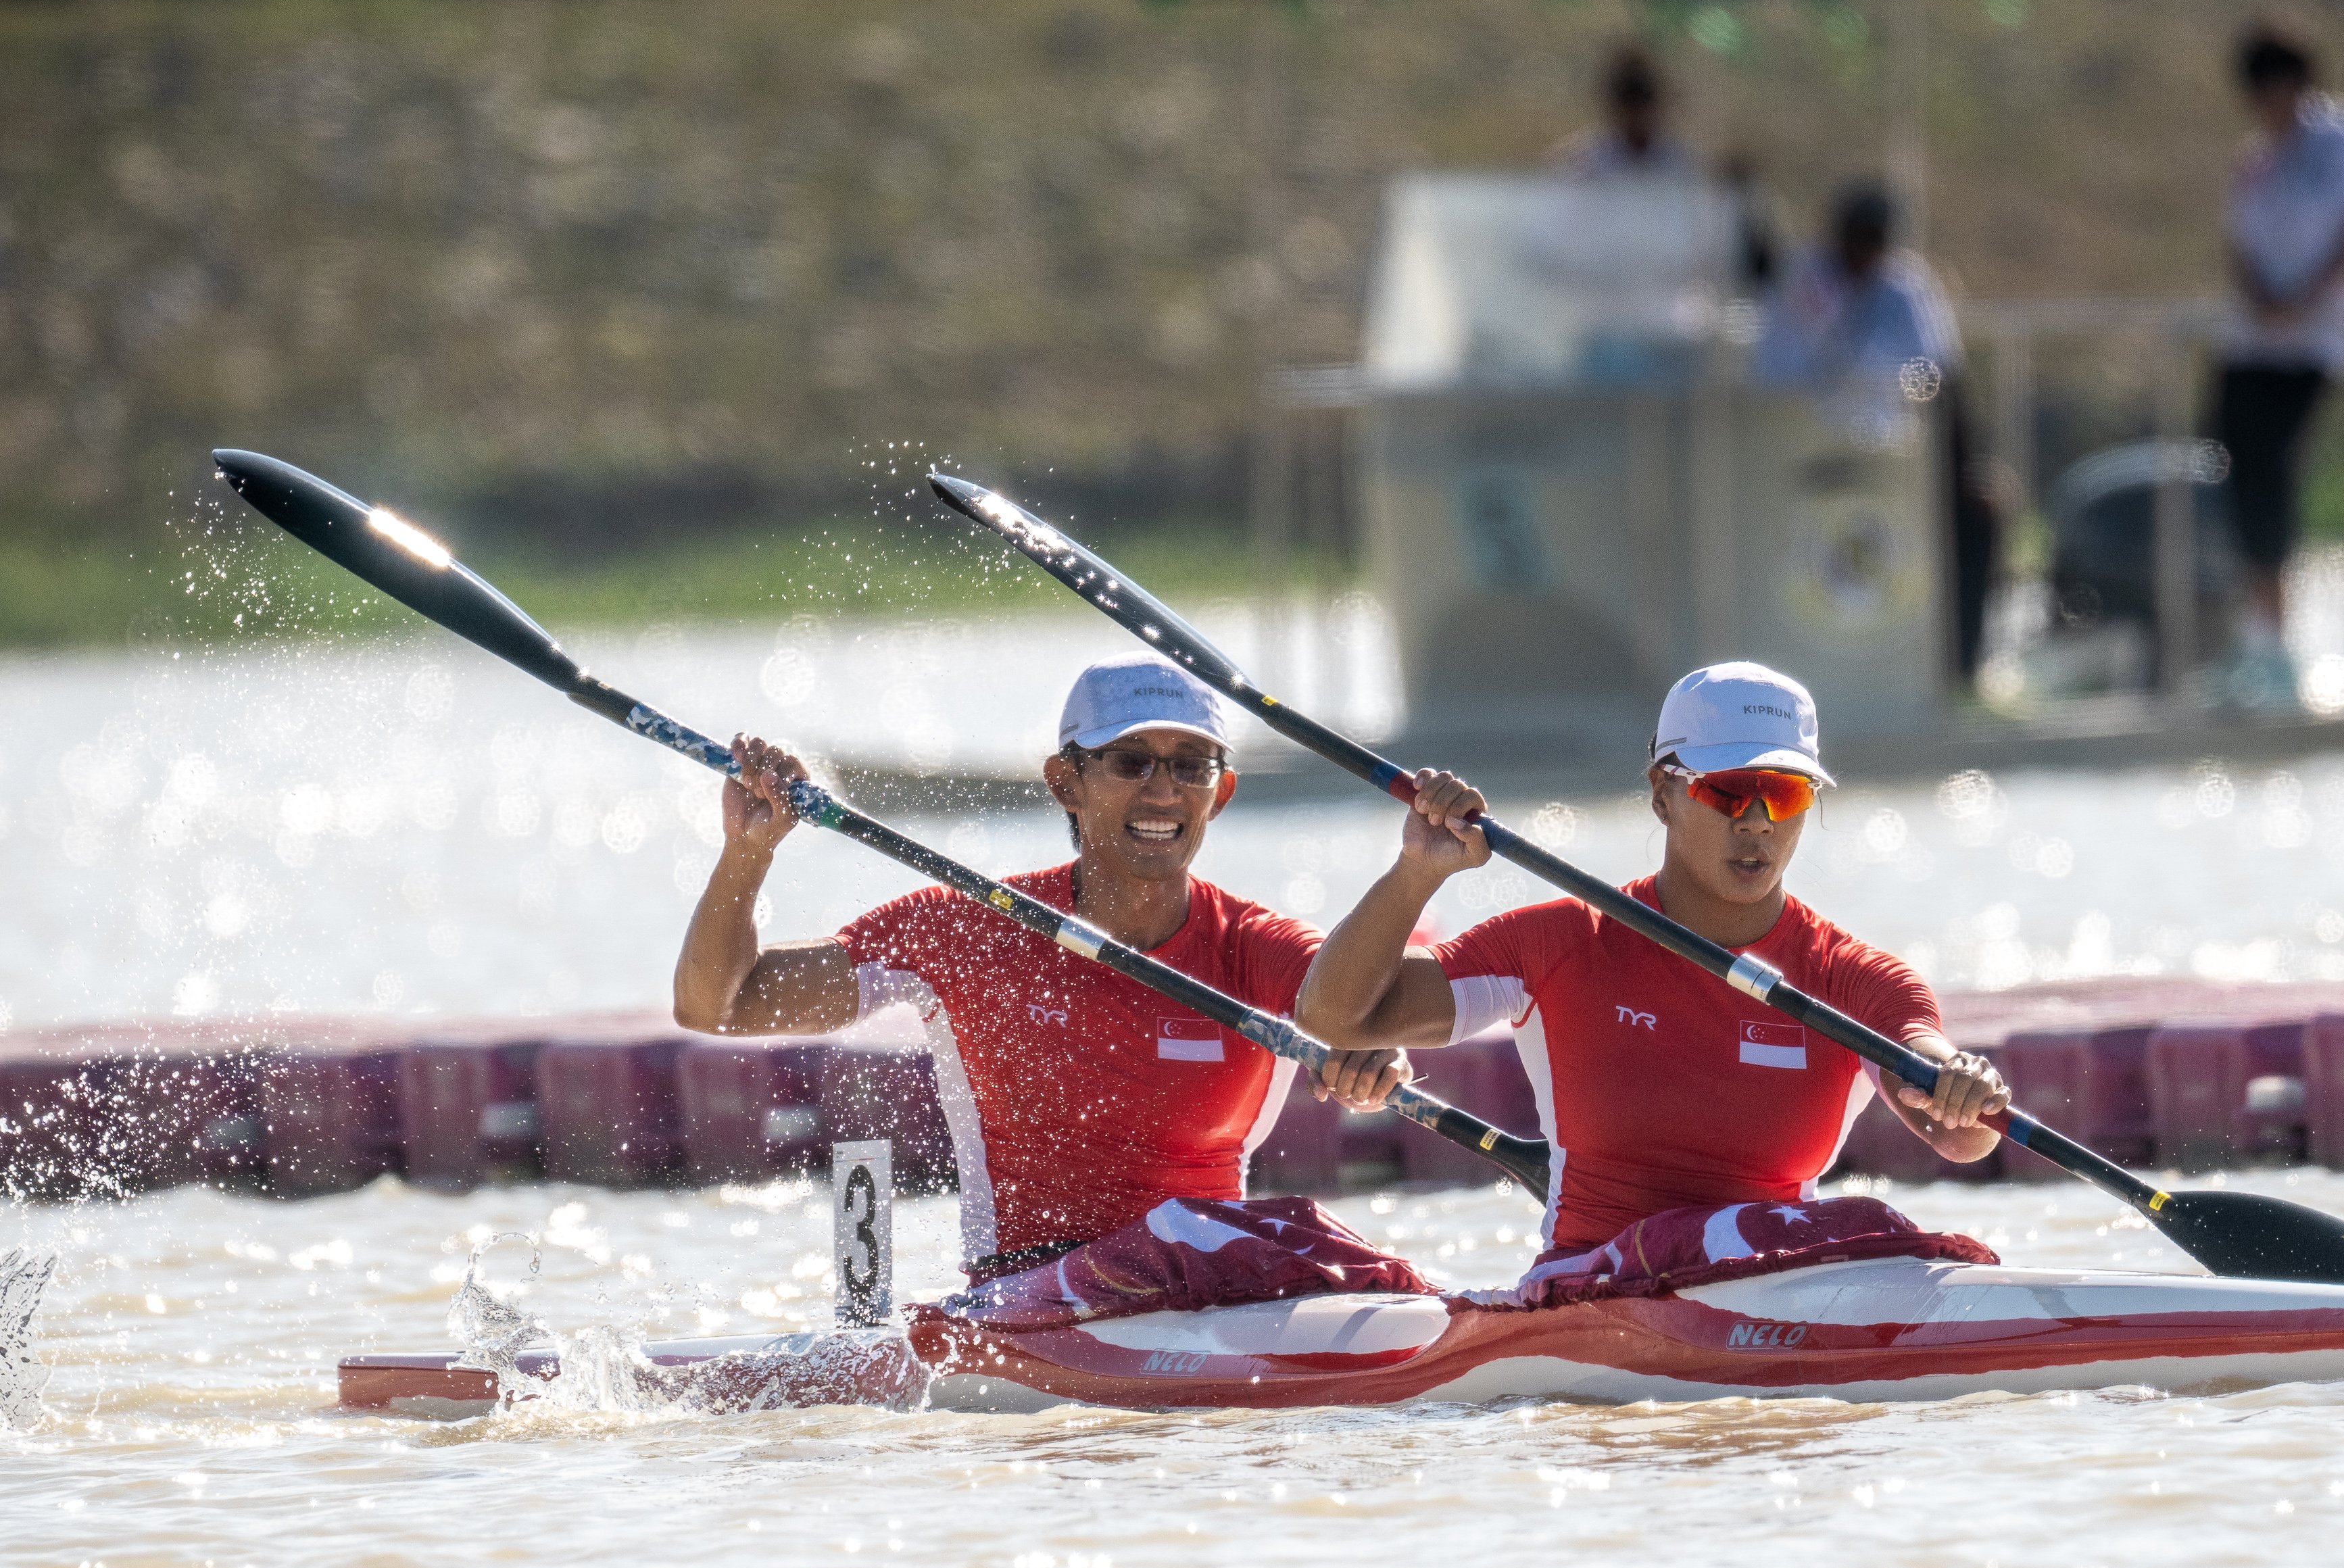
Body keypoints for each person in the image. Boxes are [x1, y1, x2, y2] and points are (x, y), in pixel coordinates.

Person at [672, 654, 1411, 1281]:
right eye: (1131, 763)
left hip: (1211, 1281)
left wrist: (1375, 1051)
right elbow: (720, 1005)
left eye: (1189, 767)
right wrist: (749, 851)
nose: (1162, 791)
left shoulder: (1255, 944)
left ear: (1220, 791)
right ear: (1065, 783)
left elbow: (1358, 1003)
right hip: (1031, 1291)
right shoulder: (969, 927)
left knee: (1357, 1264)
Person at [1293, 662, 2009, 1274]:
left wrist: (1956, 1083)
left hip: (1777, 1277)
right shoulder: (1562, 944)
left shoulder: (1855, 979)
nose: (1757, 820)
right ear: (1662, 792)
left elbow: (1960, 1135)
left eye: (1786, 794)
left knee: (1871, 1225)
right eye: (1729, 790)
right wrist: (1418, 871)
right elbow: (1333, 1015)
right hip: (1596, 1287)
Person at [2212, 22, 2344, 708]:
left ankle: (2276, 636)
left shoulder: (2340, 137)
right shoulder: (2254, 158)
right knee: (2231, 459)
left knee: (2272, 465)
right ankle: (2258, 632)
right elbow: (2238, 245)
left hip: (2314, 342)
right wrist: (2260, 299)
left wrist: (2307, 299)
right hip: (2253, 341)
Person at [1755, 187, 2002, 686]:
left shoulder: (1906, 288)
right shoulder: (1803, 285)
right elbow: (1776, 380)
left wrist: (1965, 469)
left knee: (1981, 514)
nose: (1866, 253)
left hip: (1896, 457)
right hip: (1809, 459)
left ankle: (1959, 669)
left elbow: (1942, 380)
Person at [1552, 44, 1701, 181]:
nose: (1637, 117)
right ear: (1616, 106)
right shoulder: (1585, 162)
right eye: (1630, 106)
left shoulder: (1676, 161)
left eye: (1642, 105)